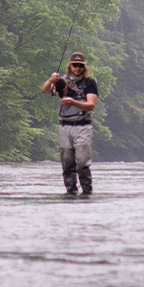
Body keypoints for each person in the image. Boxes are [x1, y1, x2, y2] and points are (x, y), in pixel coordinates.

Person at [41, 52, 99, 196]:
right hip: (65, 127)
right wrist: (51, 80)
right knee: (67, 162)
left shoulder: (90, 83)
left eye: (80, 66)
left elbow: (91, 105)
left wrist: (73, 102)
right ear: (70, 66)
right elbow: (45, 90)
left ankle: (87, 192)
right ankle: (71, 192)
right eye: (75, 65)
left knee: (82, 162)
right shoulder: (61, 82)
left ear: (84, 67)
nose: (77, 68)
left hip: (83, 126)